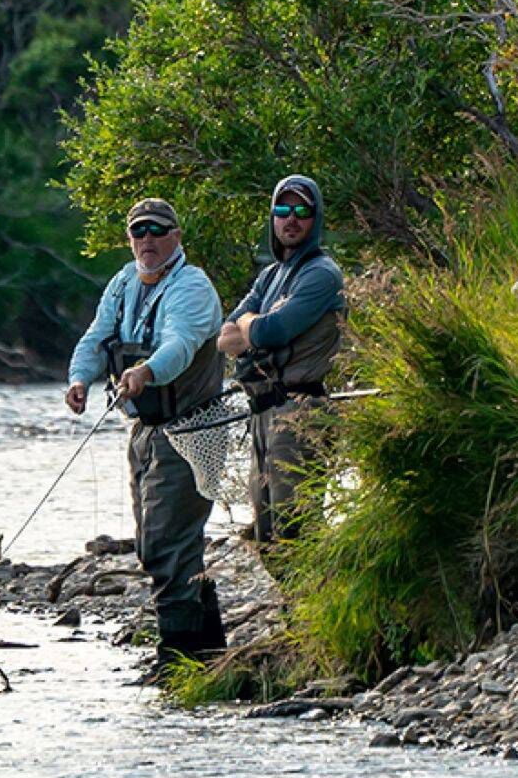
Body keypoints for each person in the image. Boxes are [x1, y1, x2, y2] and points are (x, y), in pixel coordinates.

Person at [66, 198, 227, 676]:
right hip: (145, 430)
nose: (148, 240)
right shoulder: (123, 282)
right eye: (139, 232)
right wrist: (79, 379)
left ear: (176, 237)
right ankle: (209, 656)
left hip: (193, 430)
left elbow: (179, 345)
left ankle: (175, 658)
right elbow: (97, 338)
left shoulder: (192, 287)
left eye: (158, 231)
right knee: (159, 543)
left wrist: (146, 371)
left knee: (164, 542)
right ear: (130, 239)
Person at [218, 175, 346, 545]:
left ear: (315, 217)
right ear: (272, 217)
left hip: (301, 412)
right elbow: (224, 339)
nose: (291, 219)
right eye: (283, 209)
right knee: (266, 535)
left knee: (296, 529)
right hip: (262, 412)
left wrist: (250, 325)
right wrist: (251, 325)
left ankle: (316, 601)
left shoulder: (322, 274)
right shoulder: (271, 275)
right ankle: (297, 602)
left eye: (302, 210)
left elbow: (267, 332)